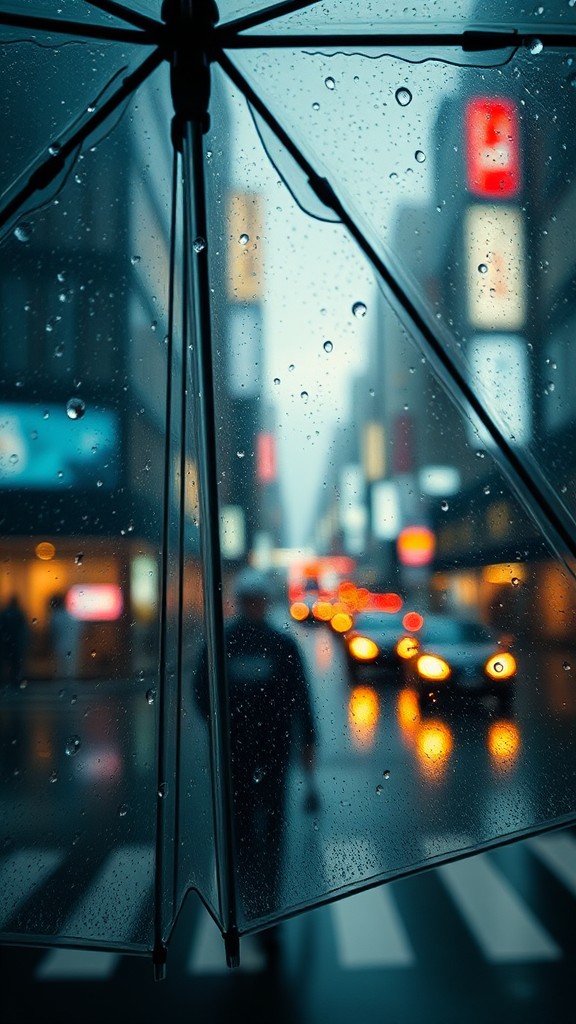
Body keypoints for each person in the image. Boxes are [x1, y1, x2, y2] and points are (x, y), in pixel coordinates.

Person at [194, 567, 317, 954]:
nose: (254, 606)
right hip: (242, 753)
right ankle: (253, 903)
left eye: (258, 599)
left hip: (270, 751)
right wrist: (223, 726)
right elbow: (201, 691)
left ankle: (263, 906)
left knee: (270, 829)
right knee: (246, 829)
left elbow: (300, 696)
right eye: (250, 600)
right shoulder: (229, 643)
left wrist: (307, 739)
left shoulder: (276, 644)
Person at [0, 594, 28, 687]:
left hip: (8, 641)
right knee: (16, 662)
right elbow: (23, 628)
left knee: (10, 661)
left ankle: (9, 679)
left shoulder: (6, 613)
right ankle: (14, 680)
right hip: (16, 641)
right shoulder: (18, 613)